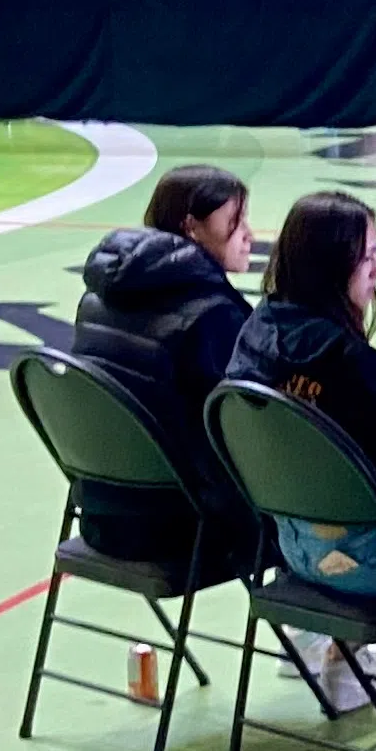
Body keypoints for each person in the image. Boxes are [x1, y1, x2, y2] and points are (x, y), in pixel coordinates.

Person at [226, 191, 376, 708]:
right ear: (333, 268)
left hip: (291, 551)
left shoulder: (252, 335)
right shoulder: (352, 364)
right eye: (367, 256)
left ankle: (346, 660)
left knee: (348, 506)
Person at [69, 164, 253, 559]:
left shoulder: (95, 300)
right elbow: (248, 437)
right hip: (178, 527)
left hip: (100, 514)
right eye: (235, 222)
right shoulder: (212, 317)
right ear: (191, 228)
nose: (249, 236)